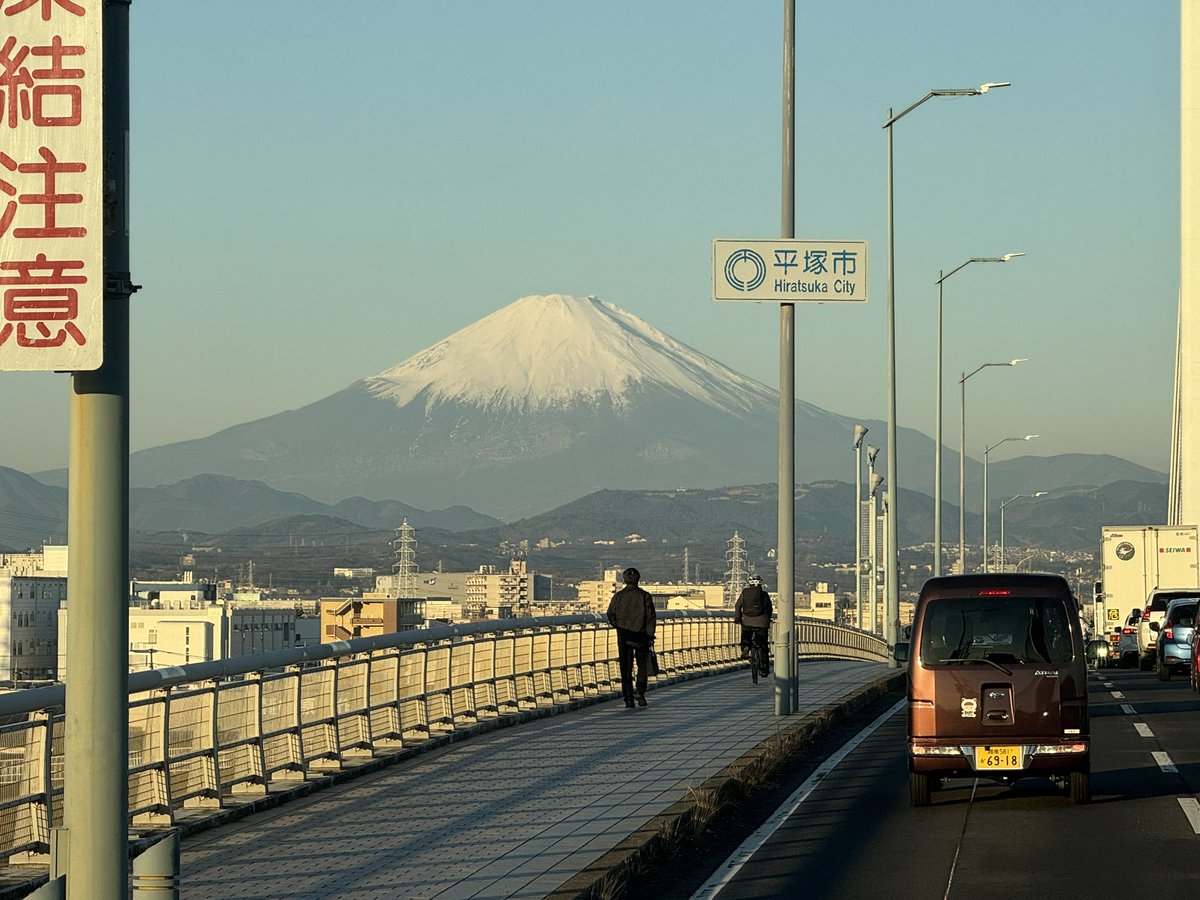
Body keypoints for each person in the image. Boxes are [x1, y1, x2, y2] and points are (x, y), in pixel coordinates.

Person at [606, 567, 657, 708]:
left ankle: (628, 698)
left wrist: (619, 627)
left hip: (624, 636)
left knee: (626, 668)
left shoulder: (618, 597)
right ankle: (640, 692)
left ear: (624, 579)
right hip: (641, 636)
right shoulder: (645, 596)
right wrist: (650, 635)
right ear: (638, 579)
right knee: (642, 666)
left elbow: (610, 614)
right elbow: (651, 617)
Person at [735, 575, 772, 676]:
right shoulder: (764, 595)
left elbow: (738, 605)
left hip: (747, 620)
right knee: (763, 645)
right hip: (762, 622)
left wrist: (738, 618)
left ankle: (746, 647)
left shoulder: (745, 593)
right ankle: (764, 669)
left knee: (746, 634)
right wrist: (768, 620)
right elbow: (769, 609)